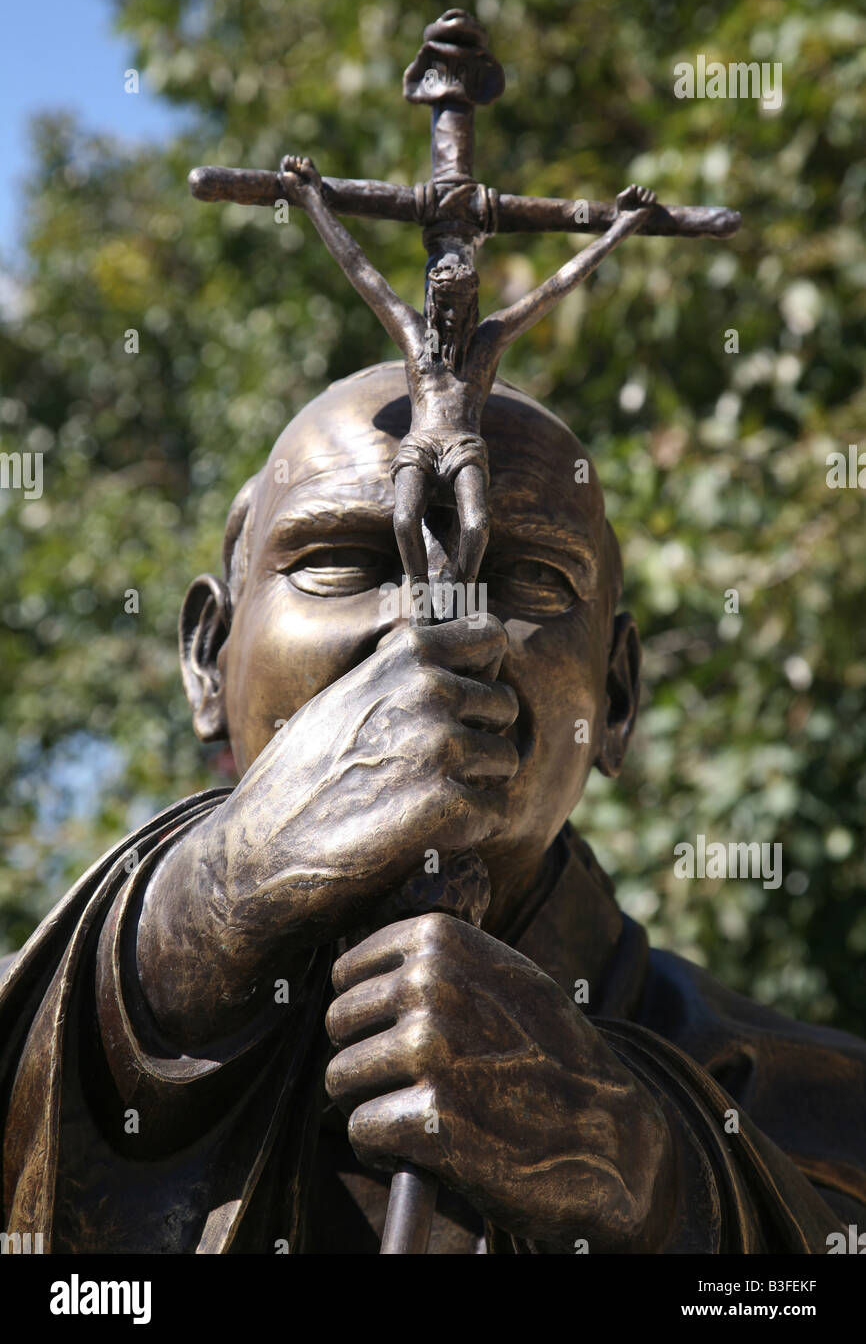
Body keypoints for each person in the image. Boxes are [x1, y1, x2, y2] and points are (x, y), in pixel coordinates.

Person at [1, 364, 863, 1253]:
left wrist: (659, 1182)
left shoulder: (810, 1096)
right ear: (207, 657)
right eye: (342, 563)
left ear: (616, 696)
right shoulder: (56, 1016)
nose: (433, 628)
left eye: (527, 579)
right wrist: (191, 929)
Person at [280, 153, 656, 608]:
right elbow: (359, 269)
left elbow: (559, 284)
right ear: (434, 306)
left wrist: (621, 228)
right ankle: (421, 595)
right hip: (421, 443)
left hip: (463, 446)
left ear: (473, 307)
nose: (453, 315)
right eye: (446, 306)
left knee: (477, 526)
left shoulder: (488, 342)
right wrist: (311, 197)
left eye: (462, 306)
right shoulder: (416, 338)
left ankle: (455, 595)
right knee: (403, 521)